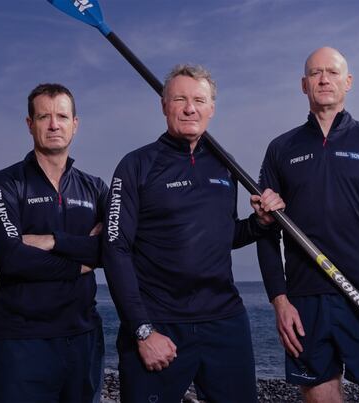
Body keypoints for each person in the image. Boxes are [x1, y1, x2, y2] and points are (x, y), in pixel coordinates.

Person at [103, 64, 285, 402]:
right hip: (160, 322)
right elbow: (115, 249)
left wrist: (259, 224)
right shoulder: (136, 165)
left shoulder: (225, 165)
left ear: (211, 108)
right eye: (180, 99)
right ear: (163, 105)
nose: (190, 108)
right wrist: (142, 331)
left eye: (199, 100)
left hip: (224, 321)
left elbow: (224, 236)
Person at [255, 47, 359, 403]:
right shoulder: (280, 149)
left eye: (332, 72)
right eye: (315, 73)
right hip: (306, 299)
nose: (324, 79)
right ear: (304, 85)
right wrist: (279, 301)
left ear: (348, 82)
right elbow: (265, 231)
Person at [0, 83, 106, 402]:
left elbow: (114, 249)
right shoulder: (4, 184)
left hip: (83, 339)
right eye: (43, 117)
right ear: (30, 124)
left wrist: (53, 241)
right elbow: (12, 259)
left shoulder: (96, 188)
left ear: (75, 124)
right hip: (20, 341)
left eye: (62, 117)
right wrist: (82, 263)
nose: (53, 125)